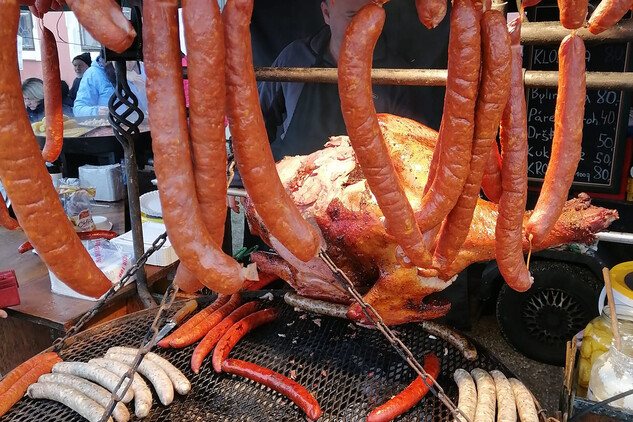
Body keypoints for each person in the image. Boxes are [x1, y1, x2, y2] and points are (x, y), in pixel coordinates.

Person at [258, 0, 428, 162]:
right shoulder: (295, 57)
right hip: (296, 179)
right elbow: (258, 122)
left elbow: (413, 148)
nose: (366, 26)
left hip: (363, 181)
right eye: (352, 16)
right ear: (326, 13)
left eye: (369, 16)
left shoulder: (398, 74)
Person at [73, 54, 148, 119]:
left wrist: (142, 90)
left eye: (132, 60)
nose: (128, 65)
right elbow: (78, 109)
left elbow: (150, 109)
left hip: (138, 126)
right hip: (108, 127)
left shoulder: (142, 69)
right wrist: (97, 111)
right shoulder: (94, 73)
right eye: (123, 59)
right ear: (111, 57)